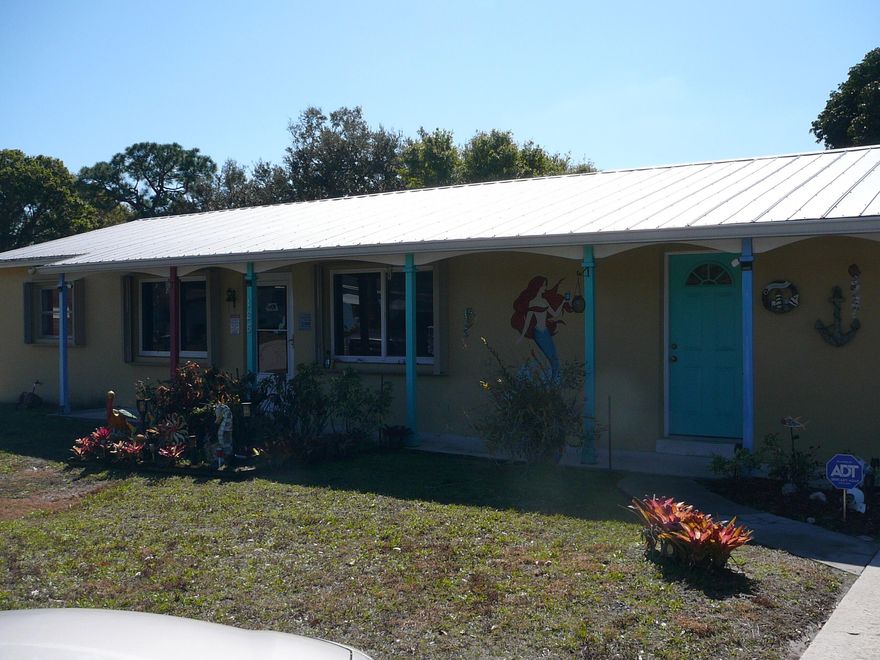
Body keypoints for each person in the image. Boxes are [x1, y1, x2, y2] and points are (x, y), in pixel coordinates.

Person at [511, 276, 569, 380]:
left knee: (553, 357)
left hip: (545, 332)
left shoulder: (544, 301)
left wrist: (562, 303)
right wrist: (522, 336)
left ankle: (553, 380)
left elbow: (555, 314)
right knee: (547, 357)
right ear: (538, 287)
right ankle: (549, 380)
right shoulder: (532, 302)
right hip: (539, 333)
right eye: (543, 285)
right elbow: (528, 321)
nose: (545, 287)